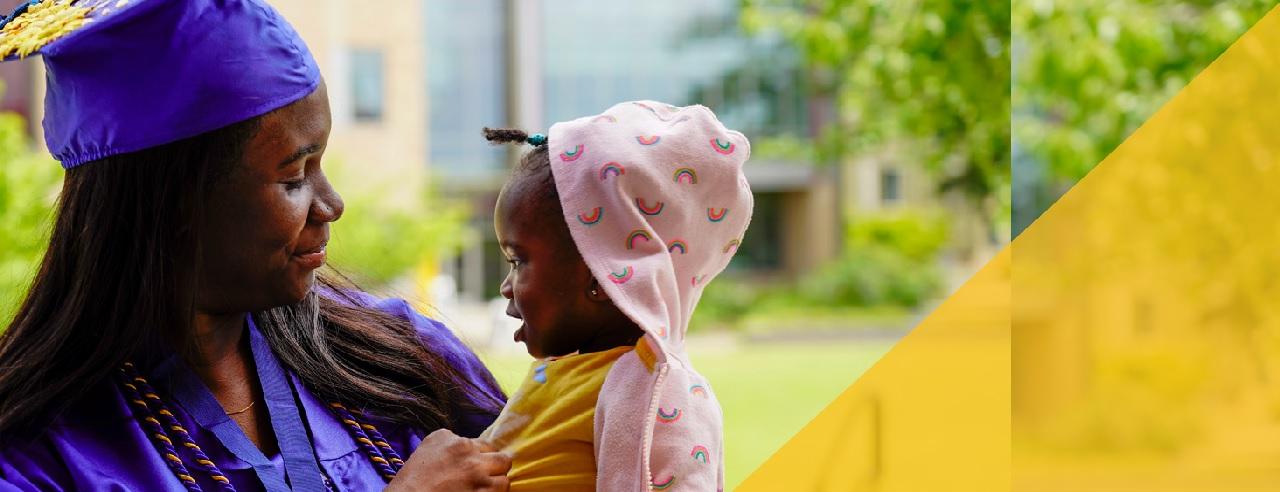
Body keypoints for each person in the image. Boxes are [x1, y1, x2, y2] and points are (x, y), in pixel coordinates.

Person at [0, 0, 510, 490]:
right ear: (174, 204)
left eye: (321, 164)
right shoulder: (36, 456)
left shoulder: (405, 356)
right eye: (293, 176)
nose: (331, 203)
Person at [477, 101, 754, 491]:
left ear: (600, 274)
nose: (506, 286)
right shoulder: (568, 371)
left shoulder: (659, 393)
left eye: (518, 261)